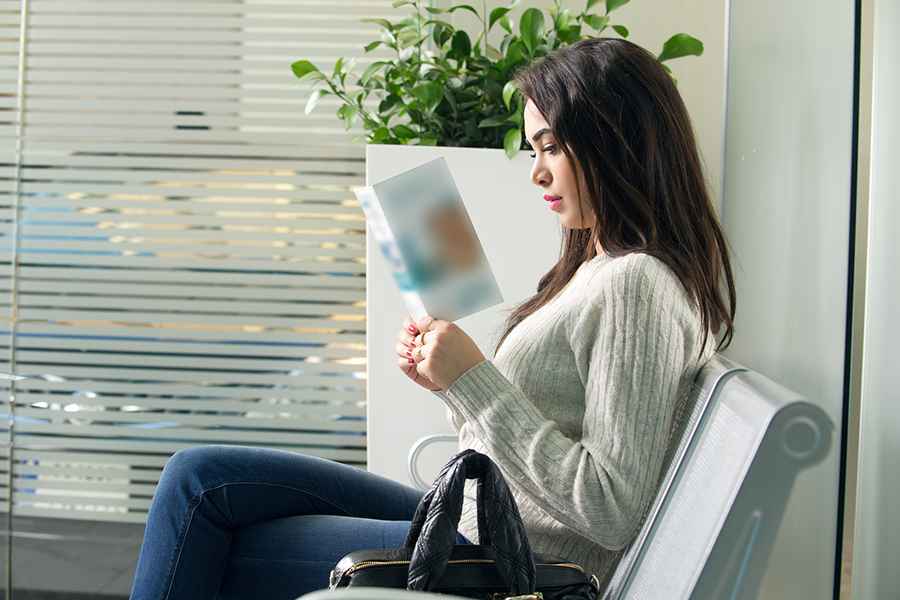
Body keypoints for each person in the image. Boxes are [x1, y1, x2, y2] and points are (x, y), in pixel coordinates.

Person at [128, 37, 736, 600]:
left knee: (222, 535)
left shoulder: (637, 285)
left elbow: (609, 508)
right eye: (533, 149)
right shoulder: (596, 266)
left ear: (616, 140)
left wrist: (473, 380)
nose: (536, 172)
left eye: (552, 145)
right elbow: (538, 421)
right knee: (198, 477)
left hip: (507, 556)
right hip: (476, 517)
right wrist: (450, 382)